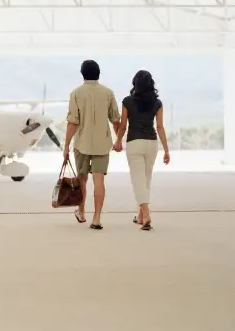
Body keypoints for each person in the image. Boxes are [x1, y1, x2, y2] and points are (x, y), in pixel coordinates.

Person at [64, 60, 121, 230]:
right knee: (99, 181)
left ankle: (81, 213)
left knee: (81, 179)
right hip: (102, 144)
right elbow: (115, 120)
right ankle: (96, 219)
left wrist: (66, 145)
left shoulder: (76, 93)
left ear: (82, 74)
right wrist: (118, 140)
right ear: (98, 73)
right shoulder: (108, 93)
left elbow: (73, 123)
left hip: (82, 143)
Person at [113, 70, 170, 231]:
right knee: (146, 180)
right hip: (152, 143)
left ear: (135, 84)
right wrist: (166, 150)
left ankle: (146, 215)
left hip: (134, 143)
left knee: (138, 180)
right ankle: (140, 216)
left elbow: (123, 126)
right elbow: (160, 127)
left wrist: (118, 142)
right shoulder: (157, 103)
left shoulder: (127, 101)